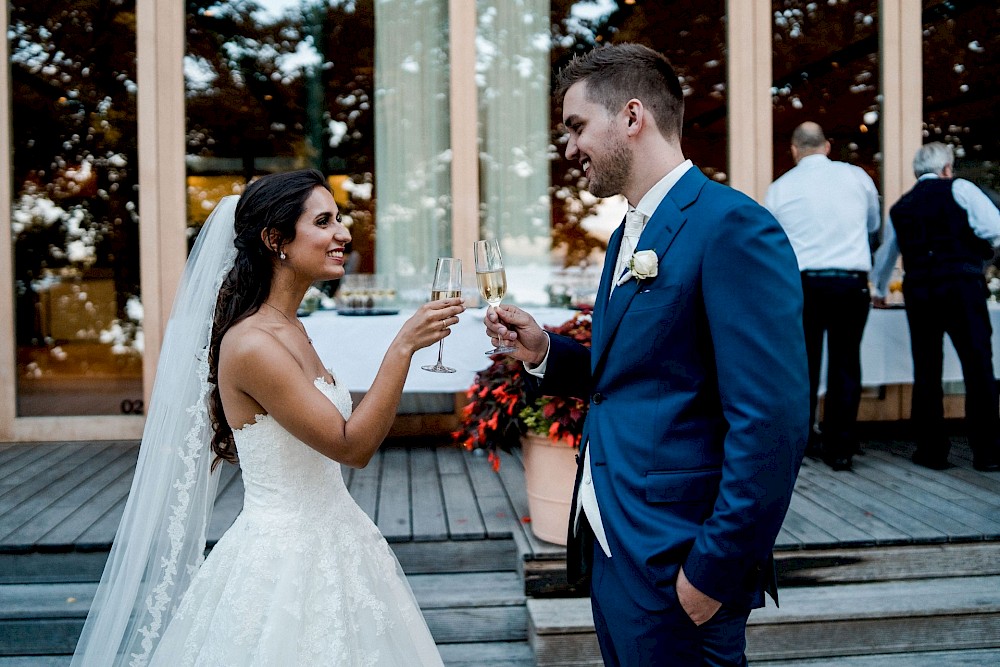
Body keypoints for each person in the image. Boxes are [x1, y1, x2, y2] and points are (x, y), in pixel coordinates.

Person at [485, 44, 809, 666]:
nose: (569, 147)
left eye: (576, 127)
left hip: (679, 558)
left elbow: (773, 422)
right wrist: (546, 351)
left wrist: (711, 573)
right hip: (615, 543)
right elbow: (639, 377)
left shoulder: (732, 228)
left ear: (632, 116)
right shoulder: (626, 236)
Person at [71, 169, 462, 666]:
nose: (343, 233)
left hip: (340, 536)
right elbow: (351, 447)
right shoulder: (255, 344)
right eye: (324, 221)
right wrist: (402, 346)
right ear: (276, 240)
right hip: (285, 563)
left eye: (338, 218)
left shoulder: (290, 326)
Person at [871, 142, 1000, 473]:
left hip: (921, 291)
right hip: (962, 285)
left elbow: (886, 256)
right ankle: (986, 452)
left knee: (927, 369)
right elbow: (995, 229)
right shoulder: (960, 188)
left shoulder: (902, 206)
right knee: (978, 367)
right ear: (946, 169)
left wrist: (881, 290)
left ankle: (932, 450)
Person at [765, 122, 881, 472]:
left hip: (804, 284)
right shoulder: (857, 177)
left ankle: (802, 440)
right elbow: (873, 225)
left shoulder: (780, 188)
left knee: (805, 365)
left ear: (794, 150)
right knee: (846, 363)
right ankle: (840, 447)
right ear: (827, 146)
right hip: (850, 281)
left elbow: (771, 242)